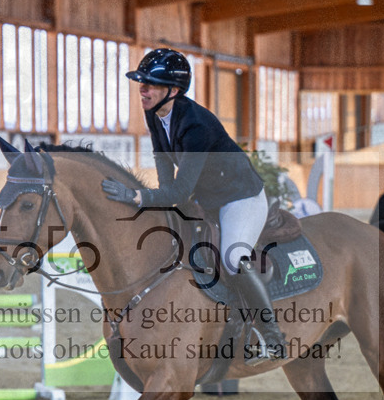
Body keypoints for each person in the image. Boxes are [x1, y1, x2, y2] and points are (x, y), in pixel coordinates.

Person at [100, 48, 285, 363]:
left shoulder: (196, 125)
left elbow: (181, 189)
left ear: (172, 91)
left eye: (150, 84)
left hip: (239, 197)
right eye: (141, 83)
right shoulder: (154, 112)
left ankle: (272, 337)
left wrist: (138, 198)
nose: (142, 90)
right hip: (206, 198)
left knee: (231, 257)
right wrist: (156, 196)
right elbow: (163, 164)